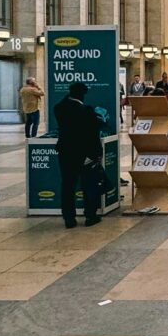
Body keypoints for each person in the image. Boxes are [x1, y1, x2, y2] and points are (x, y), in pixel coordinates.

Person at [53, 82, 102, 228]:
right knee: (88, 184)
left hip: (66, 151)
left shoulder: (59, 108)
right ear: (82, 94)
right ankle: (90, 216)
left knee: (68, 184)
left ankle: (69, 218)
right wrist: (97, 153)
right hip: (84, 153)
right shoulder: (85, 110)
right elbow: (93, 133)